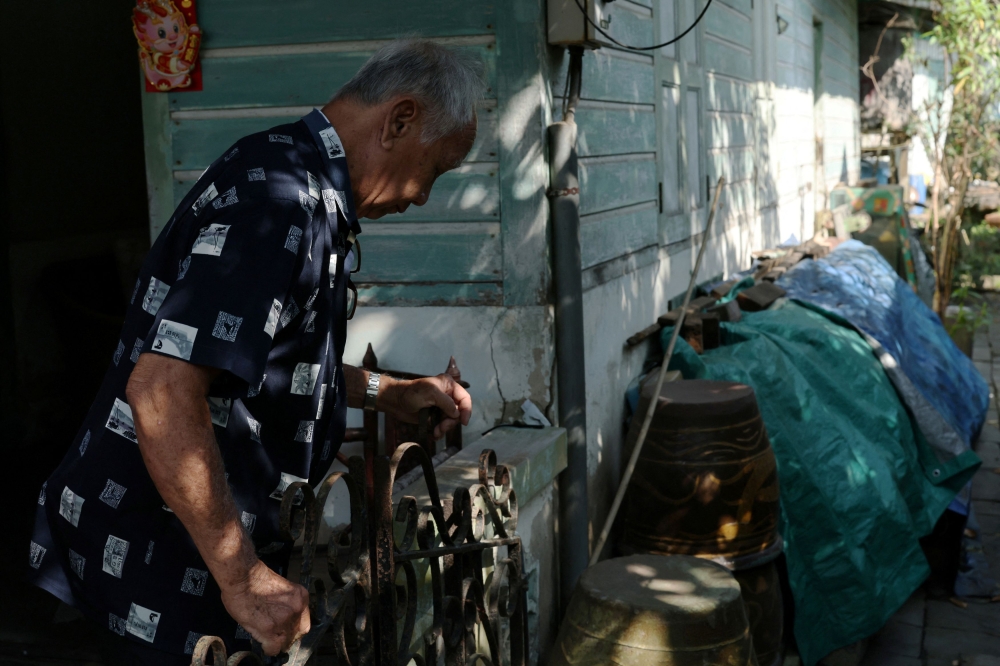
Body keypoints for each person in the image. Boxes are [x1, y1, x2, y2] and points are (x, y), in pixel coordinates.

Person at [28, 40, 482, 664]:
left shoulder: (299, 179)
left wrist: (390, 392)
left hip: (187, 547)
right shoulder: (279, 201)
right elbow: (162, 392)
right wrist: (244, 577)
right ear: (399, 121)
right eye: (435, 170)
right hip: (152, 558)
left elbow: (267, 362)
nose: (425, 196)